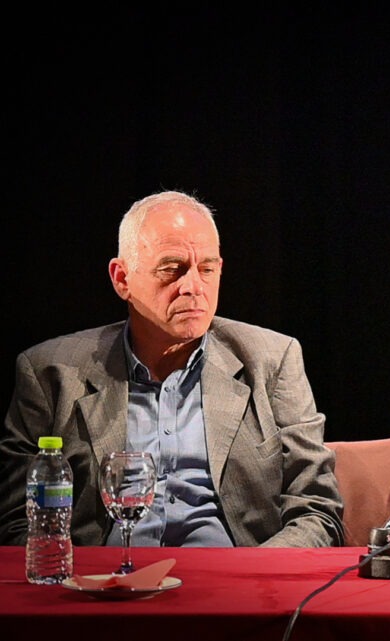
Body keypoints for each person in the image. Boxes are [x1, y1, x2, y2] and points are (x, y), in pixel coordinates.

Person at [0, 190, 344, 547]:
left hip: (236, 575)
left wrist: (256, 571)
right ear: (122, 279)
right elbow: (17, 522)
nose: (193, 287)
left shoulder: (272, 360)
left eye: (207, 269)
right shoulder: (49, 372)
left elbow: (316, 509)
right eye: (171, 270)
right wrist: (72, 573)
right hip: (103, 577)